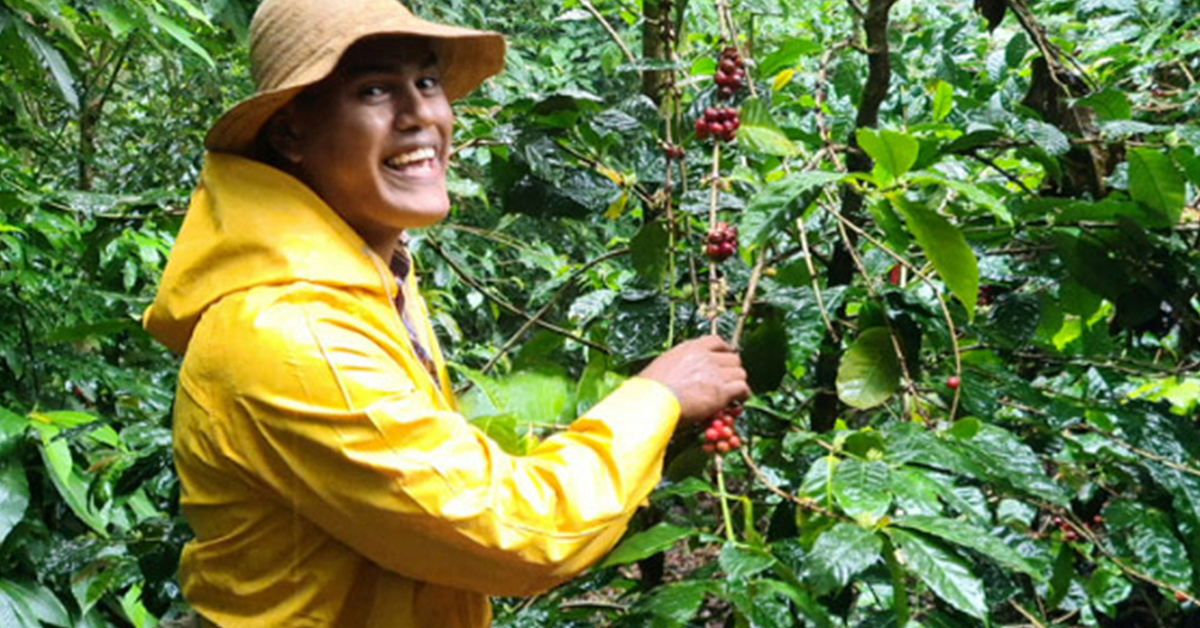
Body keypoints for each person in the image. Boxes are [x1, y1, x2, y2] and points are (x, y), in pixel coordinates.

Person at [143, 0, 750, 626]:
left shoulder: (366, 274)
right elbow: (517, 532)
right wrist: (658, 398)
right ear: (290, 134)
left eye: (426, 82)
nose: (421, 116)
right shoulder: (294, 331)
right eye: (375, 89)